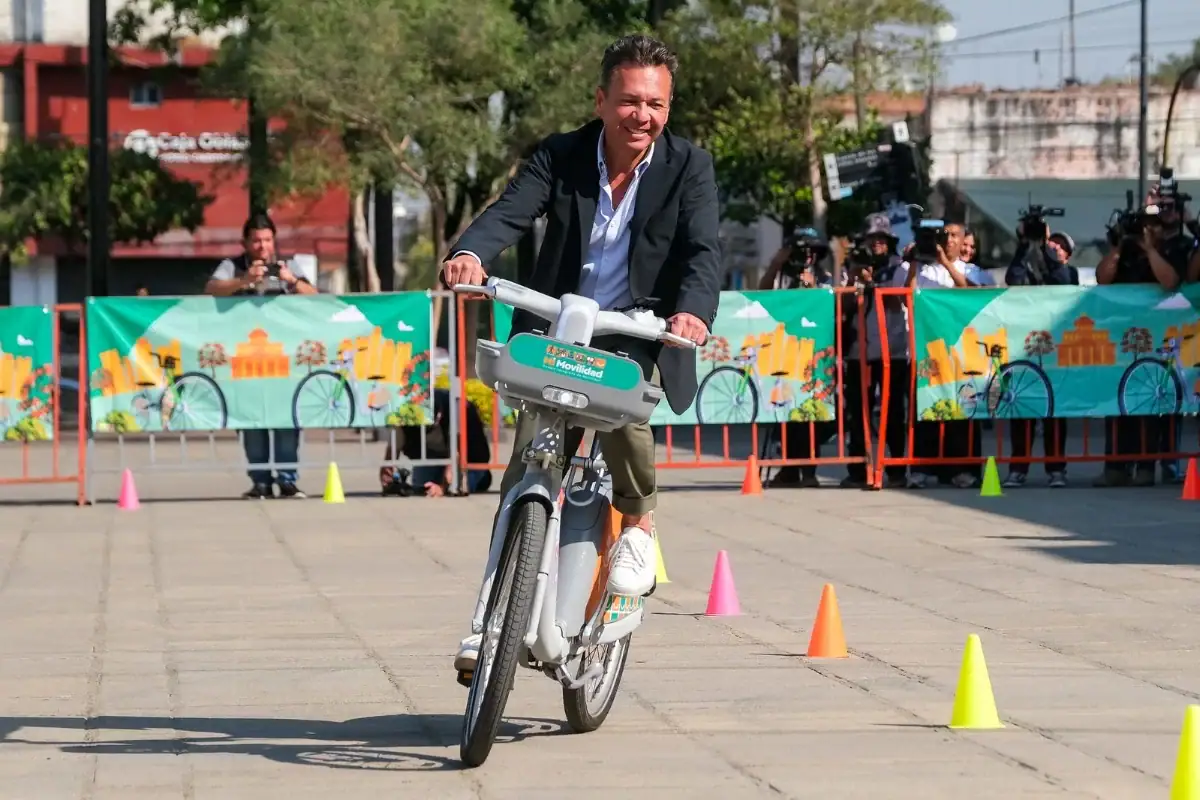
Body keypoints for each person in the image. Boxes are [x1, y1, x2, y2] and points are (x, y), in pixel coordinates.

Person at [441, 34, 721, 676]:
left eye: (655, 103)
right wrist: (472, 254)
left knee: (627, 413)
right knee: (528, 468)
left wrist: (693, 312)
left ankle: (640, 526)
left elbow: (704, 253)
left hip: (636, 326)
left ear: (668, 108)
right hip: (557, 323)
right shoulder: (559, 156)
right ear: (600, 100)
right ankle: (489, 620)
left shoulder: (689, 168)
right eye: (628, 101)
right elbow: (509, 213)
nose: (641, 116)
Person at [205, 214, 319, 499]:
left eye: (267, 240)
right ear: (245, 242)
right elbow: (211, 288)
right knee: (251, 421)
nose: (262, 246)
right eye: (256, 240)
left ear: (274, 241)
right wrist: (243, 280)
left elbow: (315, 296)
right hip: (245, 359)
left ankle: (288, 479)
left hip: (283, 359)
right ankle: (260, 481)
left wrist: (291, 281)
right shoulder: (232, 266)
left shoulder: (288, 266)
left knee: (286, 419)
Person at [1094, 187, 1193, 487]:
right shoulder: (1126, 250)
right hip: (1124, 337)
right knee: (1119, 401)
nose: (1149, 230)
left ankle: (1148, 466)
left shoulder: (1176, 248)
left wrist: (1151, 249)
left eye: (1154, 225)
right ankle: (1117, 467)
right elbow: (1102, 277)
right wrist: (1123, 245)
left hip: (1161, 339)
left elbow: (1171, 281)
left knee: (1153, 403)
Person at [893, 220, 981, 489]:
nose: (949, 240)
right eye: (945, 236)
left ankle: (963, 469)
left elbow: (970, 294)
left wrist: (945, 263)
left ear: (964, 239)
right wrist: (917, 261)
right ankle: (921, 467)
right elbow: (903, 298)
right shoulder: (914, 268)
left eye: (954, 235)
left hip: (960, 355)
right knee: (924, 412)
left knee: (961, 413)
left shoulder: (972, 270)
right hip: (925, 353)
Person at [758, 227, 835, 488]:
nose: (807, 257)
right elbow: (763, 294)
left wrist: (812, 288)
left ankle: (809, 471)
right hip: (786, 352)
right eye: (802, 251)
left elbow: (830, 307)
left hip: (814, 354)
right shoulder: (782, 276)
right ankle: (789, 470)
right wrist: (776, 263)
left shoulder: (824, 277)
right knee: (786, 411)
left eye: (812, 252)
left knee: (811, 414)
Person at [1003, 229, 1078, 489]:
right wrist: (1024, 247)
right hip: (1025, 348)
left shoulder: (1069, 273)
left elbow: (1062, 282)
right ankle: (1017, 468)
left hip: (1055, 351)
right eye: (1050, 243)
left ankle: (1056, 469)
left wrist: (1051, 258)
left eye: (1059, 246)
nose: (1052, 247)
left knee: (1054, 412)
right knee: (1022, 407)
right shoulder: (1029, 273)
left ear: (1067, 255)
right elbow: (1012, 279)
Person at [841, 213, 908, 489]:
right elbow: (843, 308)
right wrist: (854, 280)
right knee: (858, 411)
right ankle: (858, 468)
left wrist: (873, 283)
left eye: (881, 239)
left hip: (892, 350)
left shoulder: (898, 268)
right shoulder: (852, 267)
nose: (876, 244)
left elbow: (895, 303)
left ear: (889, 242)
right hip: (860, 349)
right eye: (872, 239)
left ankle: (896, 467)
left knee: (893, 411)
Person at [379, 388, 493, 496]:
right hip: (433, 456)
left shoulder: (456, 409)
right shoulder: (406, 413)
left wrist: (442, 487)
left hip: (470, 459)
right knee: (421, 487)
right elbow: (392, 451)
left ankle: (482, 477)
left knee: (456, 486)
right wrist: (387, 474)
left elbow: (457, 455)